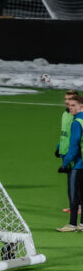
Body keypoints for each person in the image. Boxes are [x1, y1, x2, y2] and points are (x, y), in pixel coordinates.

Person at [57, 93, 83, 232]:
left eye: (73, 105)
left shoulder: (76, 123)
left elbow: (74, 146)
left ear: (81, 106)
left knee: (74, 195)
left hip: (78, 164)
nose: (70, 107)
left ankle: (72, 225)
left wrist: (65, 164)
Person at [55, 90, 79, 214]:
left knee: (75, 183)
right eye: (65, 98)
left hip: (73, 154)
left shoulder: (76, 116)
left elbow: (75, 138)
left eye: (69, 99)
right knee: (71, 183)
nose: (66, 101)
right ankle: (74, 206)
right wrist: (59, 147)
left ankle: (78, 207)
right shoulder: (65, 114)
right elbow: (64, 134)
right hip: (65, 153)